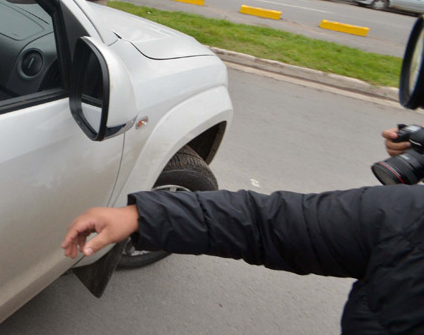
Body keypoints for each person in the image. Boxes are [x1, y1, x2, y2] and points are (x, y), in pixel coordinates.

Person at [62, 131, 424, 333]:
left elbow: (269, 224)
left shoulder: (409, 215)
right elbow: (271, 223)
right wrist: (145, 215)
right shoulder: (407, 216)